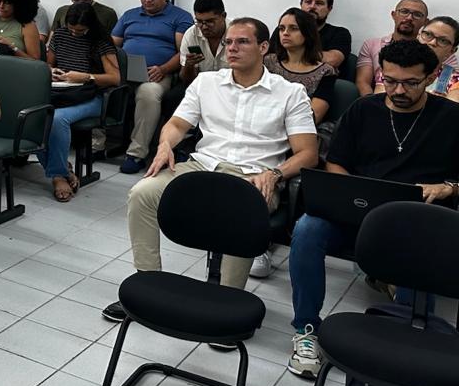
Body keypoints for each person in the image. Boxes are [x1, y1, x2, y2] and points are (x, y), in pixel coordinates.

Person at [101, 18, 318, 323]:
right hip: (203, 166)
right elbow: (177, 125)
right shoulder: (207, 82)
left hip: (254, 177)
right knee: (142, 193)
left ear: (263, 47)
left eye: (242, 42)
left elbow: (308, 153)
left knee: (242, 209)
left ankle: (227, 305)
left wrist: (275, 174)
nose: (232, 48)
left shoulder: (290, 93)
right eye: (229, 42)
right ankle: (147, 283)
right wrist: (164, 145)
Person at [287, 40, 459, 378]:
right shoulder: (364, 110)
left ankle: (404, 336)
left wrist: (448, 188)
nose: (398, 91)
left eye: (410, 83)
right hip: (358, 213)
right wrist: (347, 195)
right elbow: (336, 163)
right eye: (390, 80)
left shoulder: (451, 118)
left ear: (431, 76)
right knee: (307, 229)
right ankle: (306, 329)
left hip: (417, 221)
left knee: (423, 249)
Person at [112, 0, 193, 174]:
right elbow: (112, 44)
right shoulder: (129, 15)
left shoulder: (180, 17)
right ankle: (98, 144)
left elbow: (184, 51)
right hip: (126, 71)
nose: (147, 0)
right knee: (99, 83)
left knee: (148, 93)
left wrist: (163, 69)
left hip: (158, 73)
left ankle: (136, 154)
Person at [41, 2, 121, 202]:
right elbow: (48, 64)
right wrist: (52, 71)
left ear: (90, 26)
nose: (75, 34)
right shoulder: (60, 35)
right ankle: (62, 171)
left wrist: (86, 77)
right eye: (72, 29)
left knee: (57, 119)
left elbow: (114, 78)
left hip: (92, 96)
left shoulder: (100, 40)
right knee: (34, 116)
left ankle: (58, 176)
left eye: (80, 31)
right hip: (61, 93)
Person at [265, 8, 338, 123]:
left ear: (308, 33)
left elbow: (314, 116)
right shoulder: (267, 62)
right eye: (281, 28)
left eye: (294, 28)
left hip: (299, 127)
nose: (285, 33)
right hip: (262, 122)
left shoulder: (325, 72)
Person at [357, 0, 428, 95]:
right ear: (394, 15)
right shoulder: (372, 45)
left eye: (417, 15)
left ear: (425, 22)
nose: (409, 18)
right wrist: (371, 102)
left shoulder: (430, 50)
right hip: (379, 97)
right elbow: (363, 82)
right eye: (404, 11)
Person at [282, 0, 352, 72]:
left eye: (319, 3)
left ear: (329, 9)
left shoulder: (339, 33)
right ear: (301, 5)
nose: (312, 6)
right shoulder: (284, 29)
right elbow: (271, 58)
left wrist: (292, 52)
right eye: (308, 2)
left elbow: (333, 60)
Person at [419, 16, 459, 101]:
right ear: (418, 36)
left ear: (452, 51)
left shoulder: (454, 80)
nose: (432, 42)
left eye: (443, 41)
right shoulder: (393, 66)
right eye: (428, 34)